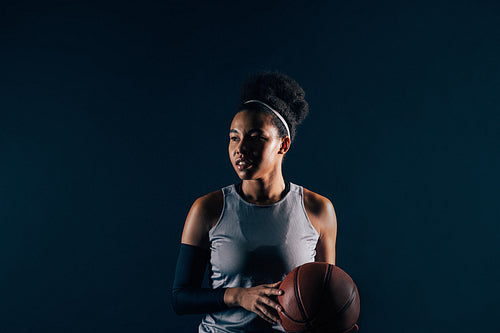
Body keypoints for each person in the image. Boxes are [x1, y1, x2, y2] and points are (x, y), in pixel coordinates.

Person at [172, 71, 337, 333]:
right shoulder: (208, 209)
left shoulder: (318, 209)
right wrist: (239, 296)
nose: (240, 148)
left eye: (255, 137)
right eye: (234, 137)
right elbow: (180, 298)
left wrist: (337, 321)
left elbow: (325, 295)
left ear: (283, 145)